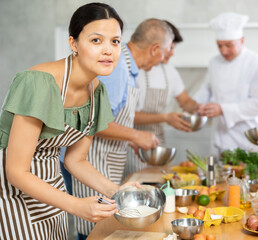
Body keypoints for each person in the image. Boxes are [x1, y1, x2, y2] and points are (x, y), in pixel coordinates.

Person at [0, 3, 140, 239]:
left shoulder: (96, 91)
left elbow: (76, 160)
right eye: (96, 40)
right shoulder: (39, 82)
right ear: (73, 43)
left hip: (51, 190)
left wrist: (117, 191)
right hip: (10, 192)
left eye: (115, 41)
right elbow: (16, 171)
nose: (108, 50)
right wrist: (76, 205)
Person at [73, 18, 174, 239]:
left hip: (102, 162)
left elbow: (107, 115)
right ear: (156, 49)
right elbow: (94, 121)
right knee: (97, 231)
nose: (165, 59)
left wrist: (130, 139)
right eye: (166, 53)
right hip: (91, 162)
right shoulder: (118, 67)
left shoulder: (127, 68)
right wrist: (136, 134)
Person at [124, 20, 198, 178]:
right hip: (133, 142)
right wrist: (165, 118)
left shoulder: (169, 70)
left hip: (157, 142)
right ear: (156, 47)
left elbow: (185, 101)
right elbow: (127, 115)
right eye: (170, 48)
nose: (171, 53)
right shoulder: (137, 68)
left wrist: (200, 109)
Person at [195, 12, 258, 154]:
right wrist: (197, 106)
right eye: (219, 46)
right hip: (222, 138)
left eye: (229, 45)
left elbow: (257, 105)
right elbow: (205, 90)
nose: (223, 51)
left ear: (242, 40)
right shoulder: (214, 62)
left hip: (250, 138)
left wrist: (222, 109)